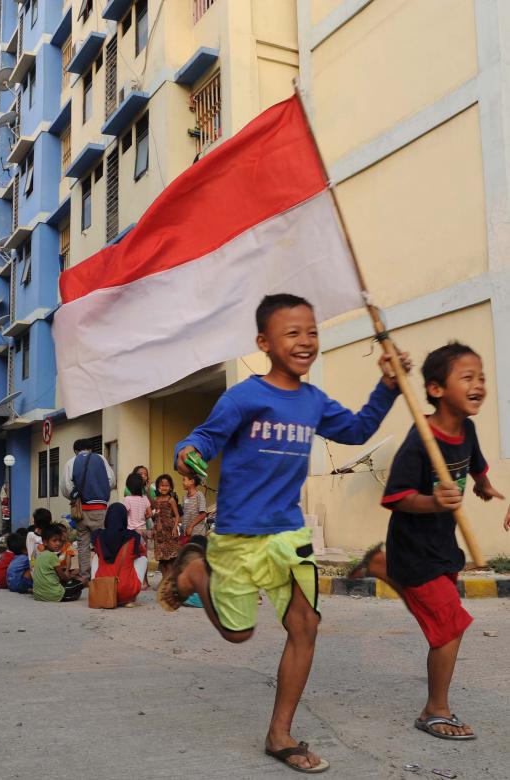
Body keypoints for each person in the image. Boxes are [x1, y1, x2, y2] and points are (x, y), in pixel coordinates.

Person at [158, 293, 408, 773]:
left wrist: (388, 386)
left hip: (288, 535)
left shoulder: (314, 402)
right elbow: (204, 437)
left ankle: (280, 734)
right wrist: (187, 451)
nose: (306, 341)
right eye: (292, 333)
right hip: (235, 537)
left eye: (311, 331)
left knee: (305, 625)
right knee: (239, 633)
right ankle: (194, 571)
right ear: (264, 342)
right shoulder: (244, 396)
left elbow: (355, 431)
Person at [355, 342, 504, 741]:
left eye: (482, 377)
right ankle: (435, 710)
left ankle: (381, 567)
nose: (479, 385)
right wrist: (433, 500)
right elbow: (395, 496)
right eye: (467, 377)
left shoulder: (467, 428)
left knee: (440, 619)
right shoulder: (421, 437)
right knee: (450, 625)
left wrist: (485, 486)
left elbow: (475, 462)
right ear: (437, 389)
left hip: (444, 547)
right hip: (414, 547)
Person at [60, 439, 116, 579]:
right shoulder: (101, 459)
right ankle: (102, 575)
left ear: (75, 450)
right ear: (91, 449)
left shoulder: (71, 462)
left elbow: (66, 487)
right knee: (102, 544)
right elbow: (111, 481)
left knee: (83, 544)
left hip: (80, 510)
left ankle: (84, 576)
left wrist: (76, 496)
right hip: (99, 509)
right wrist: (99, 491)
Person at [91, 503, 149, 607]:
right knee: (143, 558)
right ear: (124, 518)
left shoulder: (97, 535)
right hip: (126, 591)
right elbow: (142, 551)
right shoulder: (133, 537)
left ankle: (97, 587)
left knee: (96, 556)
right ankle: (129, 599)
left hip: (103, 588)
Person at [33, 524, 86, 603]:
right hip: (54, 594)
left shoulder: (40, 555)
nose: (58, 543)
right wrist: (72, 579)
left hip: (38, 594)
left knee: (72, 585)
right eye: (54, 541)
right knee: (83, 582)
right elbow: (63, 577)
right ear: (45, 542)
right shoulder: (52, 556)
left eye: (60, 540)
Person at [152, 474, 181, 579]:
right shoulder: (156, 500)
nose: (164, 488)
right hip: (159, 532)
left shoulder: (171, 500)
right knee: (162, 560)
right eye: (162, 485)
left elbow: (177, 516)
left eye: (166, 485)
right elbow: (156, 514)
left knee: (170, 559)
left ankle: (170, 580)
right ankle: (165, 580)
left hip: (169, 531)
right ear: (158, 487)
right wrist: (154, 528)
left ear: (171, 487)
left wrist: (174, 528)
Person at [123, 473, 152, 538]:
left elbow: (124, 514)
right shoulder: (145, 498)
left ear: (128, 486)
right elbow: (150, 514)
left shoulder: (127, 499)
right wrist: (143, 517)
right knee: (143, 548)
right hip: (144, 530)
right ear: (142, 486)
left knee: (134, 547)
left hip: (132, 530)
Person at [181, 474, 207, 539]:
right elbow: (183, 515)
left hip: (197, 534)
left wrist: (191, 526)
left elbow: (203, 514)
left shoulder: (199, 495)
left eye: (184, 480)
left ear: (192, 481)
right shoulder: (184, 497)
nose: (182, 483)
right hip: (186, 535)